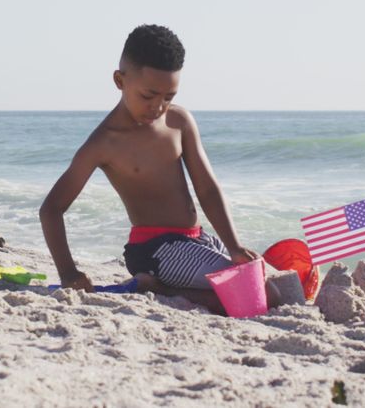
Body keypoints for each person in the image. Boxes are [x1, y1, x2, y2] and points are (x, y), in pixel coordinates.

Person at [39, 24, 281, 314]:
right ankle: (156, 287)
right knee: (265, 296)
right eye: (148, 95)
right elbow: (51, 208)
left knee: (275, 280)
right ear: (120, 80)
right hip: (155, 250)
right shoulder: (105, 142)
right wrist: (68, 272)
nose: (158, 107)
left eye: (168, 97)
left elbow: (207, 189)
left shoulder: (179, 122)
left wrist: (234, 245)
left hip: (196, 239)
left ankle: (159, 286)